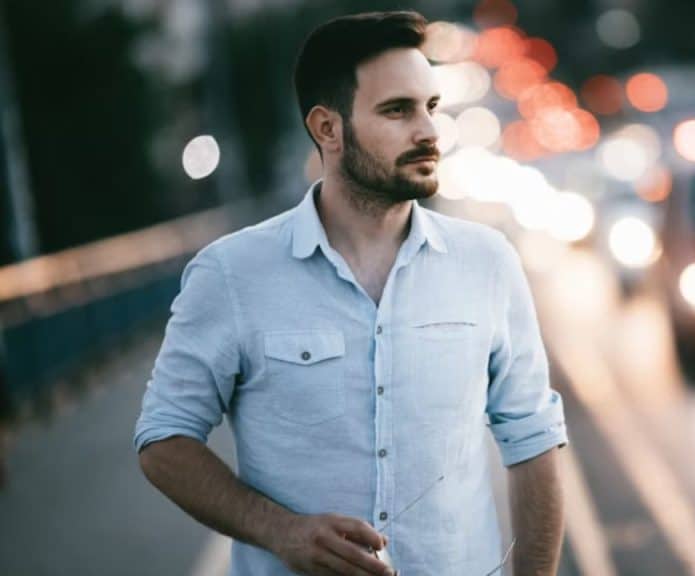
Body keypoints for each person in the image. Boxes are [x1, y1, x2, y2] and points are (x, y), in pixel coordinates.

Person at [134, 11, 567, 576]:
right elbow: (163, 439)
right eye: (397, 110)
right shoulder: (232, 275)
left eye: (430, 107)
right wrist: (281, 531)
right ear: (328, 128)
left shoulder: (487, 263)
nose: (430, 132)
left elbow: (533, 439)